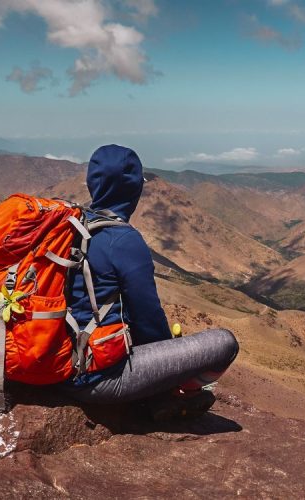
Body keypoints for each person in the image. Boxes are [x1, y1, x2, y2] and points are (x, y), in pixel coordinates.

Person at [57, 144, 239, 420]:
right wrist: (169, 355)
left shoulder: (70, 227)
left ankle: (159, 400)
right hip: (95, 378)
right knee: (224, 343)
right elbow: (148, 320)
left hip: (55, 363)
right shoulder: (124, 240)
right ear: (133, 189)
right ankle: (170, 397)